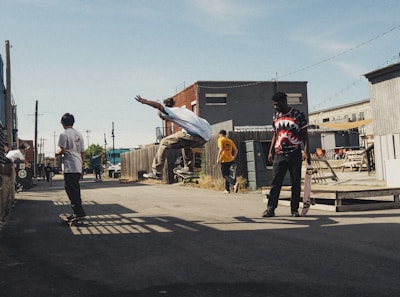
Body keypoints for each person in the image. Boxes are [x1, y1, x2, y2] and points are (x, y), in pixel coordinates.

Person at [135, 95, 211, 179]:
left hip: (196, 135)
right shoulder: (182, 110)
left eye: (164, 119)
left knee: (164, 142)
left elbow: (159, 106)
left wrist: (145, 101)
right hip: (205, 136)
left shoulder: (169, 111)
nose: (166, 121)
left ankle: (156, 171)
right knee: (185, 143)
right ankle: (189, 168)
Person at [262, 91, 311, 218]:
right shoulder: (276, 117)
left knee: (295, 183)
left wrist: (306, 150)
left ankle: (294, 210)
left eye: (277, 104)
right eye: (274, 105)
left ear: (284, 102)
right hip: (280, 154)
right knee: (275, 182)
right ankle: (270, 209)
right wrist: (270, 151)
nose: (275, 107)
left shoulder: (298, 115)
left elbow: (305, 134)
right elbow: (275, 134)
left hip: (294, 153)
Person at [56, 113, 86, 221]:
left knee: (70, 189)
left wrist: (57, 153)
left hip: (69, 165)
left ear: (63, 123)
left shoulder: (64, 134)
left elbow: (62, 150)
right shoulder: (79, 134)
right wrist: (82, 164)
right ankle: (78, 211)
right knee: (75, 188)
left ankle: (78, 211)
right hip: (77, 164)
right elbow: (82, 151)